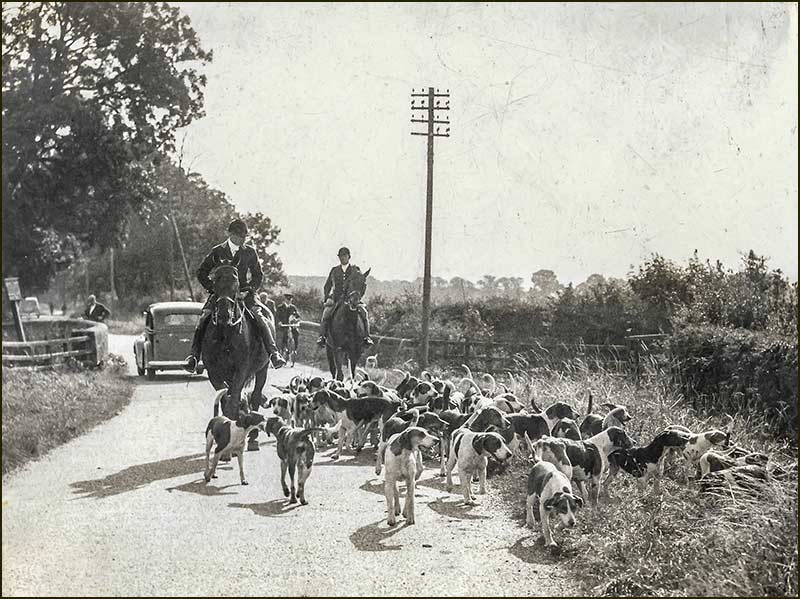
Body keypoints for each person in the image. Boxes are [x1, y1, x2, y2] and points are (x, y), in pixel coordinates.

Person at [183, 219, 285, 373]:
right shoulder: (217, 251)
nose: (242, 239)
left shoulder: (250, 252)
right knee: (204, 317)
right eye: (239, 236)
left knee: (259, 317)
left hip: (244, 293)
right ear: (230, 234)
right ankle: (194, 356)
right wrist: (212, 287)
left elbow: (258, 275)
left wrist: (249, 290)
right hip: (221, 294)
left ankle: (273, 353)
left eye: (244, 236)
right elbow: (201, 272)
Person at [317, 247, 373, 347]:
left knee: (364, 313)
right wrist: (326, 298)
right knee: (326, 314)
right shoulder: (334, 270)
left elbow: (360, 283)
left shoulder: (355, 270)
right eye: (341, 256)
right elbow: (327, 286)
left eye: (344, 256)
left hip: (351, 299)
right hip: (336, 298)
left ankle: (367, 337)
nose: (342, 258)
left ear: (349, 257)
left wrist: (358, 297)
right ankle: (322, 337)